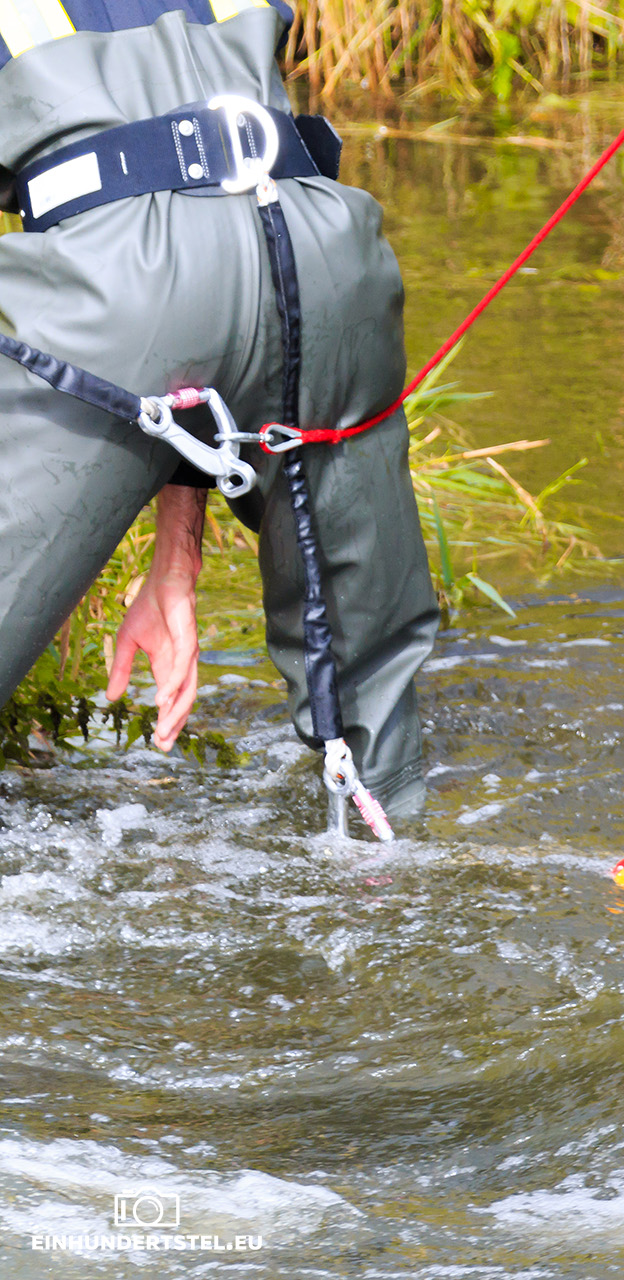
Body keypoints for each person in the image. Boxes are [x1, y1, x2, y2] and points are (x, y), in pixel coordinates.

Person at [0, 0, 437, 815]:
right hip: (325, 257)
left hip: (122, 278)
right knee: (367, 710)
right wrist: (177, 562)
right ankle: (393, 851)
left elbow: (173, 268)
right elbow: (210, 245)